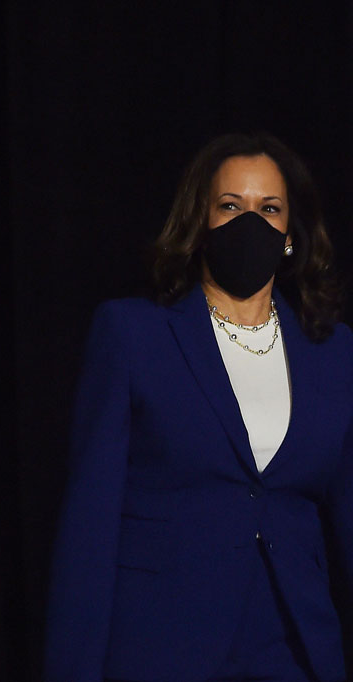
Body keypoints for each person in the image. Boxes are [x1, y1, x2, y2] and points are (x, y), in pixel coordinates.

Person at [44, 132, 353, 682]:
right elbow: (90, 528)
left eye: (270, 209)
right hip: (162, 647)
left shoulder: (334, 353)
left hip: (294, 648)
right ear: (200, 222)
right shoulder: (133, 335)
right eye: (231, 206)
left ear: (290, 234)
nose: (250, 223)